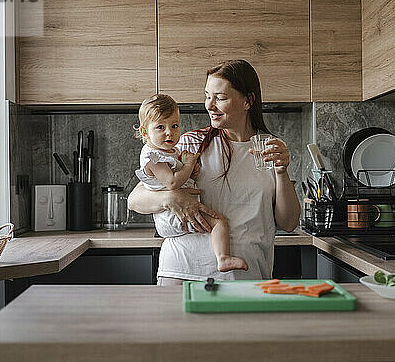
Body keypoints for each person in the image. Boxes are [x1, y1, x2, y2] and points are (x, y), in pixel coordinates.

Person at [128, 60, 301, 286]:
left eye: (220, 98)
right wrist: (171, 198)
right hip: (183, 273)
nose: (209, 105)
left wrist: (281, 171)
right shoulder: (189, 144)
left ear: (248, 101)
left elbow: (288, 223)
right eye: (207, 96)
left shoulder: (268, 149)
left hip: (246, 277)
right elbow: (135, 200)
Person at [134, 94, 248, 273]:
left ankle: (223, 258)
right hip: (173, 219)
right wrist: (188, 165)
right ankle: (223, 258)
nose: (169, 132)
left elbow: (177, 175)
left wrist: (190, 171)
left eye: (174, 125)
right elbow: (170, 183)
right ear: (145, 132)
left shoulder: (170, 151)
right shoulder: (154, 156)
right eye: (160, 127)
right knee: (219, 222)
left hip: (174, 217)